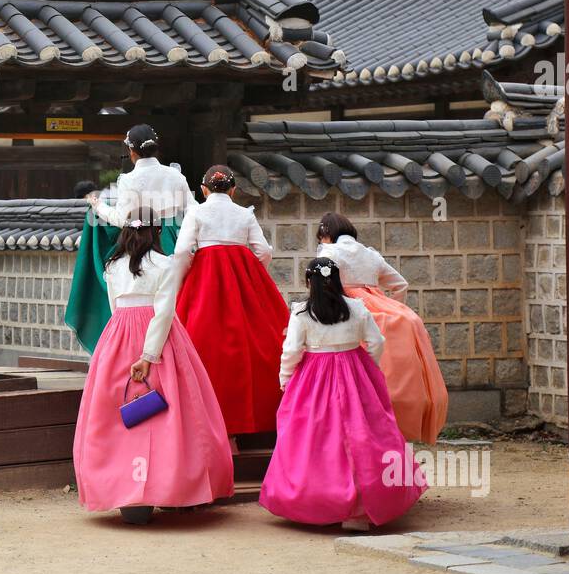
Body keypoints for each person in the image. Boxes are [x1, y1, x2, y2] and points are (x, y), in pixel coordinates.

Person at [72, 210, 235, 525]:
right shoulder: (166, 264)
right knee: (175, 412)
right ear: (156, 232)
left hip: (117, 339)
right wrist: (149, 354)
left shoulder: (112, 267)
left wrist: (124, 344)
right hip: (160, 339)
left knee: (117, 415)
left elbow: (114, 308)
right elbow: (164, 312)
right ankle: (176, 488)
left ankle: (126, 495)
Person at [259, 257, 426, 529]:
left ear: (308, 282)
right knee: (362, 434)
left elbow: (291, 351)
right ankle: (361, 508)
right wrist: (365, 367)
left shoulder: (302, 313)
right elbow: (376, 342)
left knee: (314, 438)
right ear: (338, 279)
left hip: (313, 377)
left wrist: (285, 378)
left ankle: (319, 501)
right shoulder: (356, 308)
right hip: (353, 371)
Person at [172, 165, 288, 441]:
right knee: (256, 343)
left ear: (203, 190)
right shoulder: (243, 213)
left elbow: (181, 251)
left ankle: (205, 422)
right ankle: (256, 422)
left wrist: (181, 282)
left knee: (202, 343)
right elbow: (264, 251)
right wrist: (248, 272)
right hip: (243, 279)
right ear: (234, 190)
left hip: (205, 280)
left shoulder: (196, 212)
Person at [315, 212, 448, 443]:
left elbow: (324, 286)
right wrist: (393, 307)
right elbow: (400, 284)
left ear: (326, 233)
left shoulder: (328, 252)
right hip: (379, 304)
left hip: (344, 306)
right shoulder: (370, 254)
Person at [64, 124, 197, 353]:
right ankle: (175, 352)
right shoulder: (175, 175)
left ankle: (134, 349)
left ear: (131, 151)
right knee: (175, 302)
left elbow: (121, 219)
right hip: (172, 241)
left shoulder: (128, 179)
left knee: (139, 300)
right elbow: (193, 211)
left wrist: (99, 207)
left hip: (142, 241)